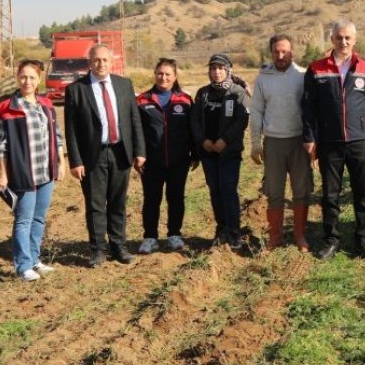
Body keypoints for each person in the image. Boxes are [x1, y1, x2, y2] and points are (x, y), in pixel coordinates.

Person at [302, 21, 365, 259]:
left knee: (362, 192)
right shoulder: (316, 69)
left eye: (348, 37)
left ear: (355, 40)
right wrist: (310, 137)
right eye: (339, 37)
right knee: (330, 194)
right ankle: (331, 240)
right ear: (332, 39)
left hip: (359, 141)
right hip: (329, 142)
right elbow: (308, 107)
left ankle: (363, 239)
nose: (343, 42)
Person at [64, 44, 146, 267]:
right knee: (96, 204)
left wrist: (139, 150)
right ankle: (98, 249)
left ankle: (118, 246)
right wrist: (76, 160)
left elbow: (134, 120)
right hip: (93, 155)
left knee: (118, 202)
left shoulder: (124, 85)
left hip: (121, 152)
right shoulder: (76, 90)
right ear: (89, 63)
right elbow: (70, 129)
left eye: (105, 60)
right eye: (96, 60)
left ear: (112, 62)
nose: (101, 64)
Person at [0, 60, 64, 281]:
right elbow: (2, 145)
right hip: (24, 172)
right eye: (23, 77)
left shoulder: (46, 104)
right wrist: (3, 173)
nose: (27, 81)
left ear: (39, 80)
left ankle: (35, 260)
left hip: (46, 170)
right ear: (17, 76)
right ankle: (23, 265)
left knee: (39, 218)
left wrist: (61, 162)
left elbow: (57, 135)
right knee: (23, 219)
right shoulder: (8, 107)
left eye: (32, 77)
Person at [250, 34, 313, 252]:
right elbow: (256, 110)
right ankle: (275, 237)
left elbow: (312, 110)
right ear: (271, 52)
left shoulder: (304, 76)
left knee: (301, 191)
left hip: (299, 142)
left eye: (284, 51)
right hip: (274, 142)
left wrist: (314, 141)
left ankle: (299, 235)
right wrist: (255, 142)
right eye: (276, 51)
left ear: (292, 52)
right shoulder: (263, 78)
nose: (280, 55)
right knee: (274, 192)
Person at [136, 58, 196, 254]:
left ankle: (174, 235)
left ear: (175, 77)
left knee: (176, 197)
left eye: (168, 74)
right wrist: (138, 154)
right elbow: (136, 130)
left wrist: (194, 153)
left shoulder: (185, 100)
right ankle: (150, 237)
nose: (163, 77)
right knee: (152, 199)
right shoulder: (143, 100)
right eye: (160, 73)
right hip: (151, 162)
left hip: (179, 160)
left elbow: (193, 129)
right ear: (155, 74)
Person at [192, 53, 250, 248]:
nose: (216, 72)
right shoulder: (202, 94)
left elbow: (241, 120)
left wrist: (224, 141)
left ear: (228, 71)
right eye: (213, 68)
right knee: (215, 190)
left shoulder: (237, 92)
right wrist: (203, 141)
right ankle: (221, 227)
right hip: (208, 152)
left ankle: (234, 230)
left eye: (220, 68)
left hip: (229, 152)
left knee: (228, 189)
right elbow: (195, 121)